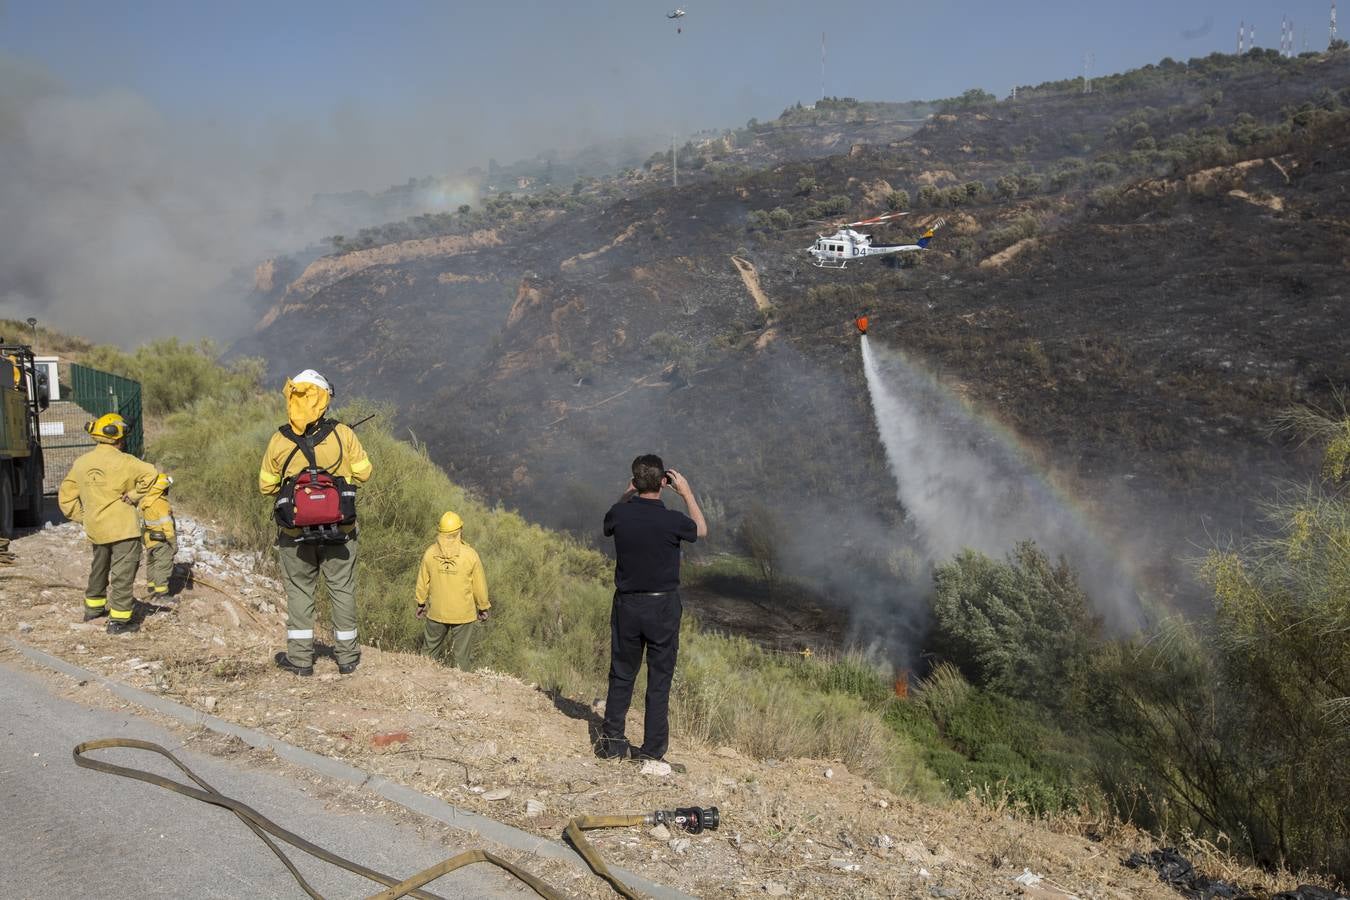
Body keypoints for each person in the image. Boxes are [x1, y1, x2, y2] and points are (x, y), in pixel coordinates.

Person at [258, 370, 372, 677]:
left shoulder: (279, 440)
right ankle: (347, 658)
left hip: (294, 532)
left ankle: (300, 660)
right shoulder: (343, 435)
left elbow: (266, 486)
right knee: (342, 589)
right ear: (323, 400)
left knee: (300, 592)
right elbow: (364, 473)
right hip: (341, 530)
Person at [598, 454, 707, 762]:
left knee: (621, 674)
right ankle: (651, 752)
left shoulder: (620, 514)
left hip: (628, 605)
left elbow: (610, 517)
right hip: (662, 607)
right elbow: (701, 530)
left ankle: (611, 743)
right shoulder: (672, 520)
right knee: (659, 680)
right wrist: (686, 492)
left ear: (635, 482)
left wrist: (626, 493)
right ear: (664, 482)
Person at [57, 413, 161, 634]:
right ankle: (119, 621)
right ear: (118, 437)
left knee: (99, 567)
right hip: (123, 528)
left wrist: (83, 516)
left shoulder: (81, 463)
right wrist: (134, 495)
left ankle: (93, 609)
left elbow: (66, 498)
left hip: (96, 527)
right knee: (123, 573)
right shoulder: (126, 461)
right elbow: (152, 474)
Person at [414, 511, 490, 670]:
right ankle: (461, 689)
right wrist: (483, 607)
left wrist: (421, 603)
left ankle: (423, 680)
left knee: (428, 653)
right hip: (463, 615)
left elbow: (422, 582)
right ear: (459, 530)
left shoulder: (430, 553)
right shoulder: (470, 555)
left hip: (436, 613)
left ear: (440, 531)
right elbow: (479, 586)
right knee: (462, 658)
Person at [140, 473, 176, 601]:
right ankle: (162, 593)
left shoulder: (145, 501)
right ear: (163, 488)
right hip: (161, 540)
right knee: (163, 564)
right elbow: (167, 525)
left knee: (152, 563)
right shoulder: (161, 503)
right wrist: (173, 543)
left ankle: (152, 587)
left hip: (149, 539)